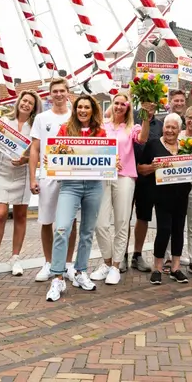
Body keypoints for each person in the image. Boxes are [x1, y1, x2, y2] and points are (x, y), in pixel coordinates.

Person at [45, 95, 109, 302]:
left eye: (86, 107)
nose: (82, 110)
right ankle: (57, 276)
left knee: (87, 231)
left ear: (93, 110)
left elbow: (106, 157)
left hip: (93, 186)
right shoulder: (65, 129)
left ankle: (81, 272)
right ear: (75, 109)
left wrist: (112, 162)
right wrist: (50, 157)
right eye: (79, 107)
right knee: (62, 228)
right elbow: (55, 154)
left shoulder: (100, 132)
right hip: (70, 185)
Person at [91, 94, 153, 285]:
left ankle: (116, 266)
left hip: (125, 176)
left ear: (127, 107)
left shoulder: (132, 127)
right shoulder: (102, 126)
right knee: (100, 223)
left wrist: (145, 117)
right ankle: (107, 262)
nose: (119, 107)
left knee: (121, 221)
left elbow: (142, 138)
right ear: (112, 105)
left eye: (123, 104)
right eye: (116, 103)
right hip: (103, 177)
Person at [0, 89, 42, 280]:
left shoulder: (36, 127)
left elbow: (40, 154)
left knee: (20, 215)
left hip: (23, 174)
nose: (26, 104)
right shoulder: (3, 122)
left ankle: (15, 258)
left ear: (34, 108)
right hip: (1, 171)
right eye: (24, 101)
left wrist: (26, 160)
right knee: (0, 215)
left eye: (30, 103)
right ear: (19, 102)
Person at [30, 78, 78, 282]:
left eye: (62, 91)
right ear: (50, 94)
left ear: (68, 93)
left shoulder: (76, 117)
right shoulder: (41, 118)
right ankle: (49, 263)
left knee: (71, 221)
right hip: (48, 176)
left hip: (71, 176)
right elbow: (34, 148)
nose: (58, 94)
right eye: (54, 91)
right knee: (46, 220)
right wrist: (33, 176)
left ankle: (67, 264)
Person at [137, 113, 192, 285]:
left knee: (178, 230)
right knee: (164, 229)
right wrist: (152, 167)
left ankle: (176, 268)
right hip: (161, 195)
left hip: (182, 194)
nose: (169, 130)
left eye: (173, 127)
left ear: (179, 130)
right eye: (167, 127)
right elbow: (140, 168)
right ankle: (158, 268)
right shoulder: (153, 144)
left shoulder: (187, 146)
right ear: (163, 128)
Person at [162, 106, 192, 277]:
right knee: (173, 224)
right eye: (190, 117)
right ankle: (168, 258)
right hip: (177, 184)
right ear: (185, 119)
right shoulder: (177, 136)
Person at [128, 107, 164, 272]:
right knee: (123, 218)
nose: (149, 107)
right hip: (127, 175)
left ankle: (137, 255)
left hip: (148, 177)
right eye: (146, 104)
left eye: (152, 104)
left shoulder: (160, 125)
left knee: (143, 217)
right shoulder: (130, 118)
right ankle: (121, 256)